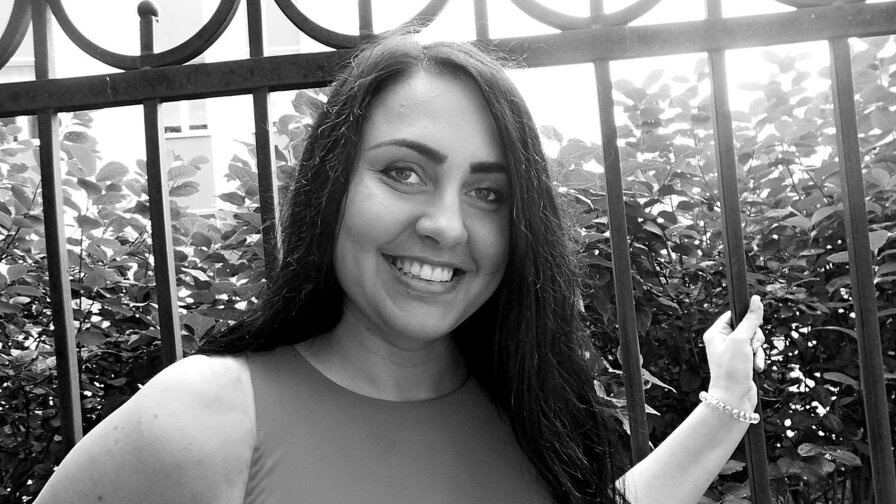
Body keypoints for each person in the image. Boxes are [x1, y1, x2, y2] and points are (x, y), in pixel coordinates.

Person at [36, 32, 766, 504]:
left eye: (489, 193)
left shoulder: (531, 414)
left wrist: (726, 401)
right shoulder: (205, 416)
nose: (446, 225)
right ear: (331, 187)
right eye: (403, 172)